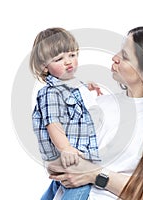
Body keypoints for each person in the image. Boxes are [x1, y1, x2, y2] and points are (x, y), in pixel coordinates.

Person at [47, 27, 143, 200]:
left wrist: (95, 174)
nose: (114, 57)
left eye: (125, 56)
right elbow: (58, 155)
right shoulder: (100, 103)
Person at [30, 27, 103, 200]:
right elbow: (52, 123)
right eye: (59, 59)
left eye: (72, 55)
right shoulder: (50, 93)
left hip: (73, 155)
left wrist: (87, 86)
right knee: (80, 186)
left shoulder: (70, 84)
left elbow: (75, 92)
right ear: (44, 66)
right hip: (70, 156)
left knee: (59, 184)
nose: (68, 62)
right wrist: (66, 148)